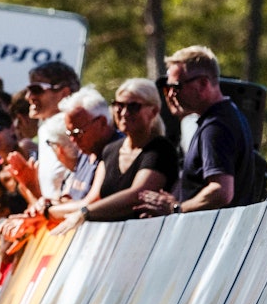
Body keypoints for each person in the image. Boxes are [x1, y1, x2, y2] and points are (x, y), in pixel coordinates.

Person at [136, 45, 257, 215]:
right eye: (167, 88)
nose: (170, 94)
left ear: (203, 83)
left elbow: (222, 191)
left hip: (216, 233)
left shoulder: (216, 126)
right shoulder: (226, 114)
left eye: (176, 87)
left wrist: (176, 208)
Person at [58, 78, 179, 228]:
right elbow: (95, 198)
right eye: (119, 105)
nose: (124, 113)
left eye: (133, 107)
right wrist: (50, 208)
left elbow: (138, 195)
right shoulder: (110, 150)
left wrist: (85, 212)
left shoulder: (160, 149)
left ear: (153, 111)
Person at [26, 61, 81, 202]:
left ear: (64, 93)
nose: (28, 96)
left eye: (36, 89)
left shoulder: (73, 127)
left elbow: (79, 182)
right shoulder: (46, 127)